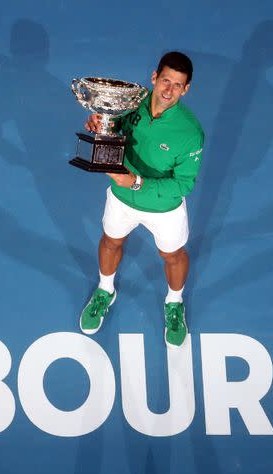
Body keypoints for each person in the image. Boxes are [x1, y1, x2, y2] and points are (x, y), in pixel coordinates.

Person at [79, 51, 205, 349]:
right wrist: (101, 124)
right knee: (111, 241)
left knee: (172, 256)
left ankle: (174, 303)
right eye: (165, 80)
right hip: (122, 197)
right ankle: (105, 289)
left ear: (186, 89)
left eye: (178, 85)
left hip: (164, 208)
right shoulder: (129, 102)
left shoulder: (191, 133)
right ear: (154, 78)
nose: (169, 90)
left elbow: (183, 185)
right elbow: (114, 130)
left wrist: (137, 182)